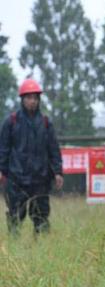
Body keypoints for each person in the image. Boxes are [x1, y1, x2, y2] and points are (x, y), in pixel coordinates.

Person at [0, 78, 63, 235]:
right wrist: (1, 170)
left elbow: (54, 149)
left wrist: (58, 172)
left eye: (35, 98)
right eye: (29, 98)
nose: (32, 101)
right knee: (15, 215)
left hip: (40, 178)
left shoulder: (46, 123)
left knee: (41, 216)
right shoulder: (11, 121)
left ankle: (41, 248)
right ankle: (14, 248)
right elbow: (3, 149)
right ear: (22, 99)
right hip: (16, 178)